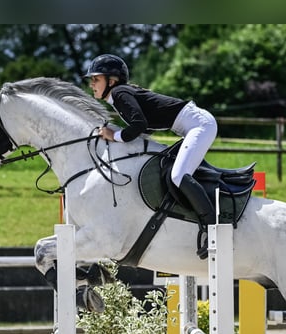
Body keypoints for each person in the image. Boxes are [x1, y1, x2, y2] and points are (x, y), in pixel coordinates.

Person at [84, 53, 218, 259]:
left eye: (96, 79)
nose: (92, 84)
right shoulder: (119, 94)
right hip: (192, 125)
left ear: (111, 80)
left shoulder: (119, 93)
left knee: (178, 176)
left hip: (199, 125)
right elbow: (144, 126)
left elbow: (139, 125)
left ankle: (213, 231)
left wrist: (114, 135)